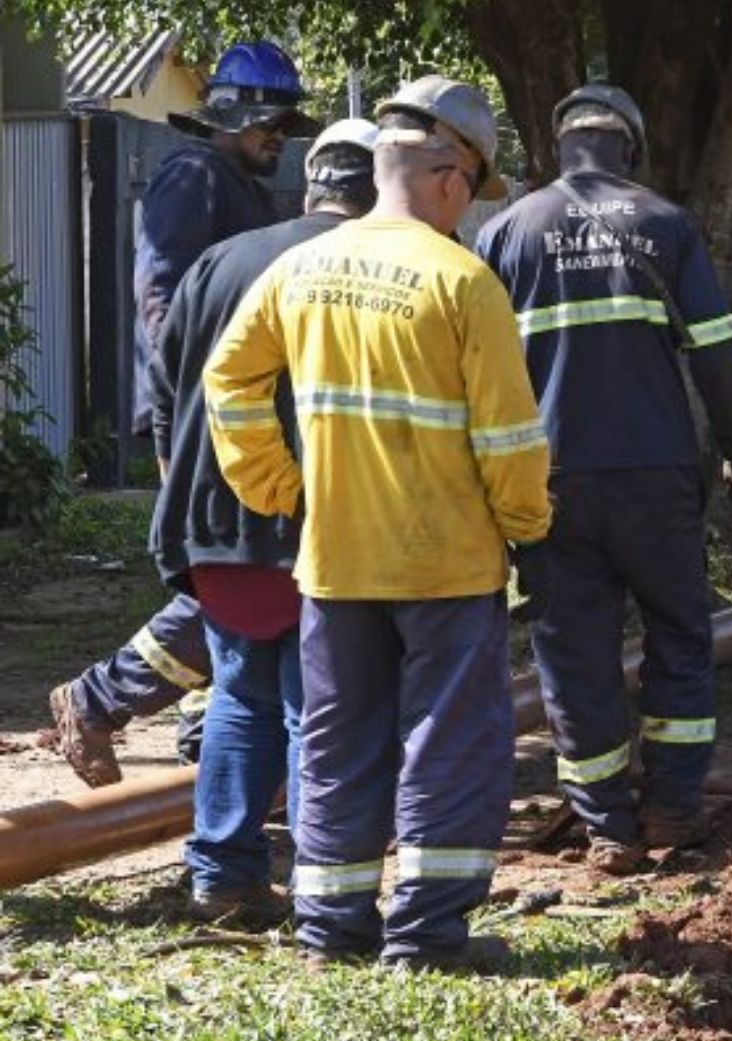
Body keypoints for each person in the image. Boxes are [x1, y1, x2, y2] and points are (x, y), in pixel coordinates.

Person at [204, 76, 550, 970]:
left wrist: (277, 486)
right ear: (451, 178)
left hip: (336, 560)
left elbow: (228, 380)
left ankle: (332, 928)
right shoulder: (464, 282)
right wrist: (526, 523)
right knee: (448, 743)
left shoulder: (301, 270)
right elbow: (510, 438)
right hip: (449, 567)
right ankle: (427, 937)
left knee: (337, 743)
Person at [475, 83, 732, 874]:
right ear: (630, 148)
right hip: (657, 474)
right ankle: (672, 807)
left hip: (547, 480)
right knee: (680, 634)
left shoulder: (503, 233)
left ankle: (607, 827)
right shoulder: (667, 224)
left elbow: (469, 369)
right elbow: (719, 352)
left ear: (557, 147)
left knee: (573, 652)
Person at [49, 41, 321, 786]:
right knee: (242, 572)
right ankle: (101, 699)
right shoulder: (192, 177)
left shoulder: (240, 188)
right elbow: (161, 298)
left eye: (286, 126)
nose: (279, 138)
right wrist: (189, 417)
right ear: (230, 114)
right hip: (212, 418)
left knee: (243, 575)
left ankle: (199, 725)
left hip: (235, 416)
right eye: (270, 123)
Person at [149, 118, 380, 927]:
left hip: (217, 526)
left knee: (241, 698)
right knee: (318, 706)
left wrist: (185, 500)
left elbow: (165, 388)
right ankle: (324, 882)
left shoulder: (219, 262)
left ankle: (223, 876)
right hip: (324, 522)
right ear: (380, 188)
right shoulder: (372, 268)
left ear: (308, 186)